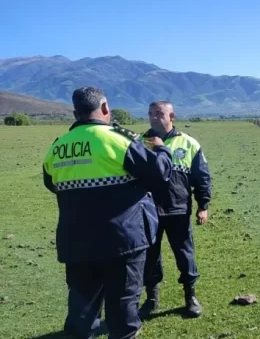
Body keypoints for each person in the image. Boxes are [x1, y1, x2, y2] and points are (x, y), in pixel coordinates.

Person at [42, 86, 173, 339]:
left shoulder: (57, 147)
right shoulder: (115, 139)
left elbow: (51, 184)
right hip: (121, 242)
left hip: (76, 243)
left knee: (82, 312)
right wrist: (161, 149)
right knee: (123, 311)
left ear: (75, 112)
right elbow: (160, 173)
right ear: (104, 108)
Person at [139, 101, 212, 318]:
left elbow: (202, 177)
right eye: (151, 113)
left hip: (178, 209)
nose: (154, 117)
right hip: (148, 211)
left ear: (172, 116)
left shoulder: (188, 143)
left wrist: (203, 205)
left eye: (159, 113)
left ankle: (190, 297)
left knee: (184, 254)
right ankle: (151, 298)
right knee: (149, 257)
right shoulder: (140, 143)